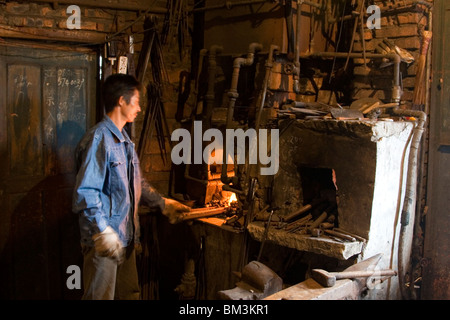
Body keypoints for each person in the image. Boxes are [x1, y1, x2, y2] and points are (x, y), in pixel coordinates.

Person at [72, 73, 190, 300]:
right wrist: (103, 232)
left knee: (130, 295)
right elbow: (86, 192)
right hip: (104, 242)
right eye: (135, 102)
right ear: (121, 101)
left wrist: (163, 203)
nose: (139, 109)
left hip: (125, 239)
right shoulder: (100, 139)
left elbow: (138, 183)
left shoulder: (124, 141)